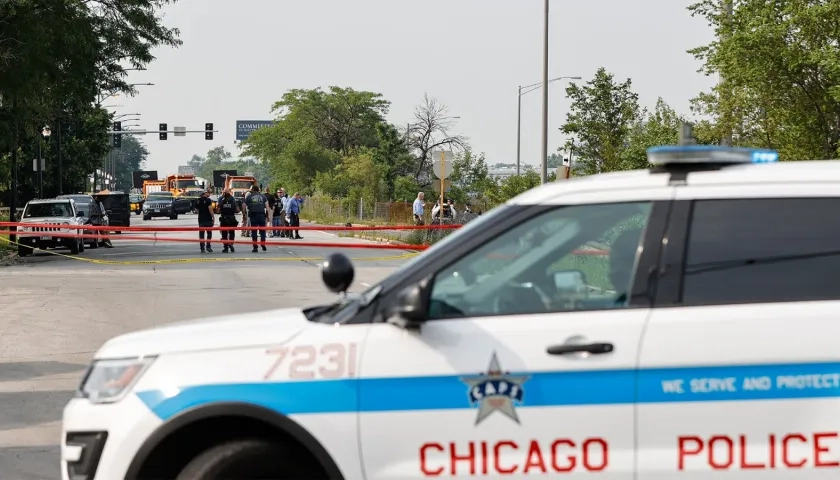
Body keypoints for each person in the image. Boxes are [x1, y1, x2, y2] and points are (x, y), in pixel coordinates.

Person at [245, 185, 270, 252]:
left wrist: (244, 214)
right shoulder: (263, 196)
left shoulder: (249, 196)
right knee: (262, 231)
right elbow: (267, 206)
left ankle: (255, 247)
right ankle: (263, 244)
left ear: (253, 190)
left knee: (254, 231)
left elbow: (244, 205)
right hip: (262, 214)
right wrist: (268, 216)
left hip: (253, 215)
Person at [215, 188, 240, 253]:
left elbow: (217, 211)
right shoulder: (233, 200)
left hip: (224, 219)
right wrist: (232, 210)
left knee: (224, 234)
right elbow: (238, 210)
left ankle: (226, 247)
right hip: (231, 218)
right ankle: (231, 244)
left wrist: (221, 210)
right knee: (232, 232)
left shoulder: (221, 201)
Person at [196, 189, 215, 253]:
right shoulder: (208, 200)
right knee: (209, 233)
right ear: (205, 193)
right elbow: (210, 209)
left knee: (201, 235)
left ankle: (202, 248)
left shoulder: (198, 200)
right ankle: (208, 246)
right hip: (208, 219)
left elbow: (197, 210)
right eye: (208, 193)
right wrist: (213, 217)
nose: (209, 194)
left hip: (201, 220)